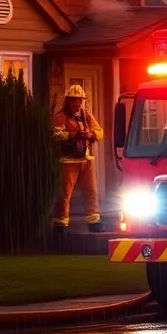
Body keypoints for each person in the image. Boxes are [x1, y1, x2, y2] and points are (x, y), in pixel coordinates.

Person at [52, 84, 104, 235]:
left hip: (86, 160)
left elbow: (100, 132)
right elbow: (55, 134)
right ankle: (60, 225)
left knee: (91, 191)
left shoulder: (86, 116)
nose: (77, 103)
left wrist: (91, 135)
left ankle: (94, 223)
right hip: (68, 161)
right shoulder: (60, 117)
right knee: (64, 194)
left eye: (79, 100)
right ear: (68, 101)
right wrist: (72, 135)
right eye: (74, 100)